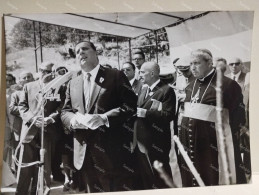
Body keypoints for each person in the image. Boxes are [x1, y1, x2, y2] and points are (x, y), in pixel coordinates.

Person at [61, 41, 138, 192]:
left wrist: (104, 118)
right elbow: (65, 111)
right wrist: (73, 120)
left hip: (111, 152)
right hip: (83, 152)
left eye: (85, 49)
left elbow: (130, 105)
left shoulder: (115, 75)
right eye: (77, 52)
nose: (80, 53)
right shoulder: (73, 83)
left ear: (96, 52)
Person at [179, 49, 246, 187]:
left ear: (209, 63)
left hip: (215, 147)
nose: (192, 67)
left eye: (196, 63)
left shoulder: (228, 85)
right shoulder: (190, 86)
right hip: (194, 146)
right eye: (191, 63)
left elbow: (238, 116)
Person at [16, 62, 64, 195]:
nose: (46, 74)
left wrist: (51, 118)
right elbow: (22, 106)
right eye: (44, 71)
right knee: (25, 166)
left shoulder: (60, 87)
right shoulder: (29, 86)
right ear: (39, 71)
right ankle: (21, 192)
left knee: (45, 167)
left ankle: (41, 192)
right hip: (29, 132)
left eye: (50, 71)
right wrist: (32, 118)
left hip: (48, 132)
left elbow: (62, 107)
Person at [133, 61, 176, 189]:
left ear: (152, 73)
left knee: (160, 176)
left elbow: (169, 115)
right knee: (147, 176)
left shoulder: (166, 90)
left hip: (158, 142)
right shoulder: (143, 88)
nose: (139, 75)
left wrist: (146, 113)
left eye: (142, 72)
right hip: (141, 141)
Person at [225, 57, 251, 181]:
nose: (234, 66)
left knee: (247, 145)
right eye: (231, 64)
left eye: (237, 64)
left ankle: (249, 172)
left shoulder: (248, 77)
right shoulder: (226, 79)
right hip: (231, 118)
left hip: (246, 115)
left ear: (241, 65)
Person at [9, 71, 34, 173]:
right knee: (19, 151)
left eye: (29, 77)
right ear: (19, 81)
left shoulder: (36, 91)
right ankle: (20, 174)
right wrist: (26, 112)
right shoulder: (16, 94)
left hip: (33, 126)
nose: (27, 79)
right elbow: (12, 108)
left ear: (33, 79)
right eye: (24, 78)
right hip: (20, 126)